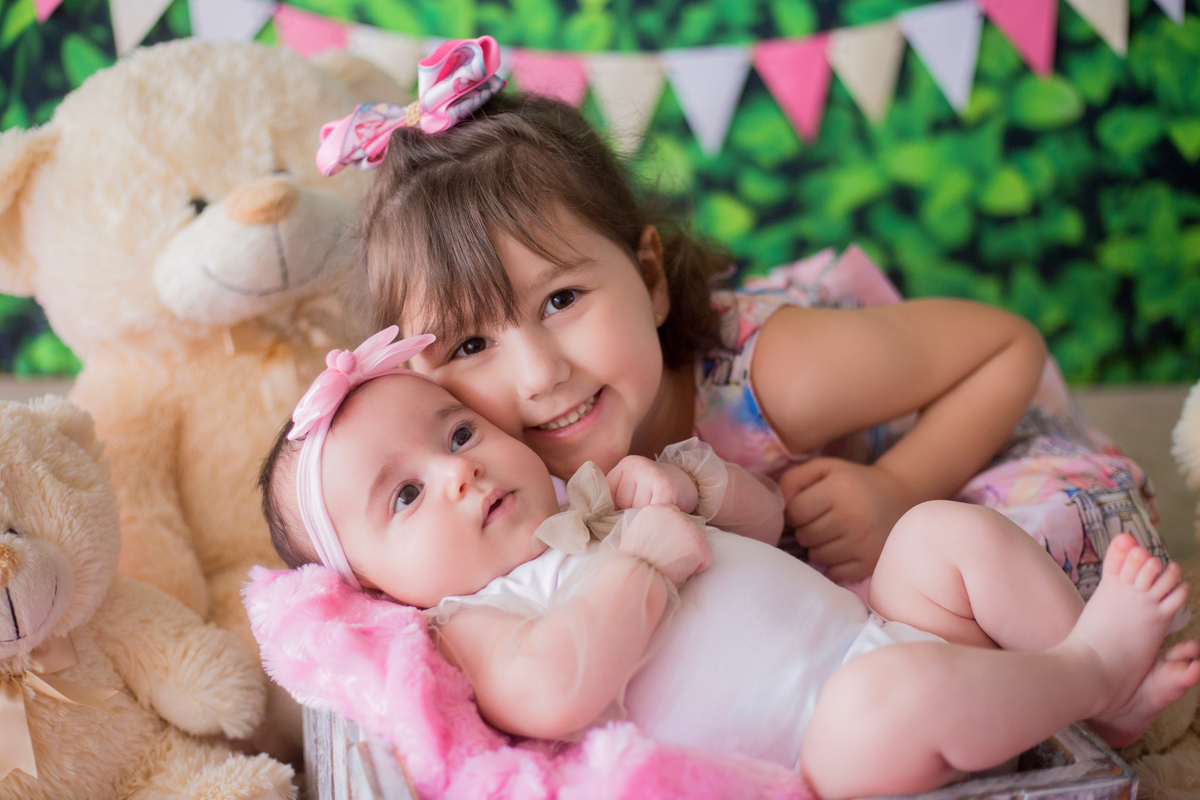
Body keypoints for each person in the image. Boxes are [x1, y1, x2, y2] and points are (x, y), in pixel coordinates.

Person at [324, 37, 1166, 591]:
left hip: (969, 448)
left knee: (1001, 570)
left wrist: (901, 489)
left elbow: (1005, 349)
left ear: (649, 276)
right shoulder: (472, 471)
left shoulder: (779, 376)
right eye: (472, 342)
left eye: (562, 299)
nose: (540, 373)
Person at [258, 327, 1200, 800]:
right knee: (894, 697)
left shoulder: (588, 497)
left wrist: (702, 490)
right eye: (407, 496)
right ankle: (1086, 670)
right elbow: (554, 690)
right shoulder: (467, 623)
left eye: (458, 431)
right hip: (832, 749)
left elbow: (771, 521)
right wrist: (644, 566)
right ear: (375, 587)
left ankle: (1099, 696)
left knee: (937, 534)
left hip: (874, 625)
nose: (457, 471)